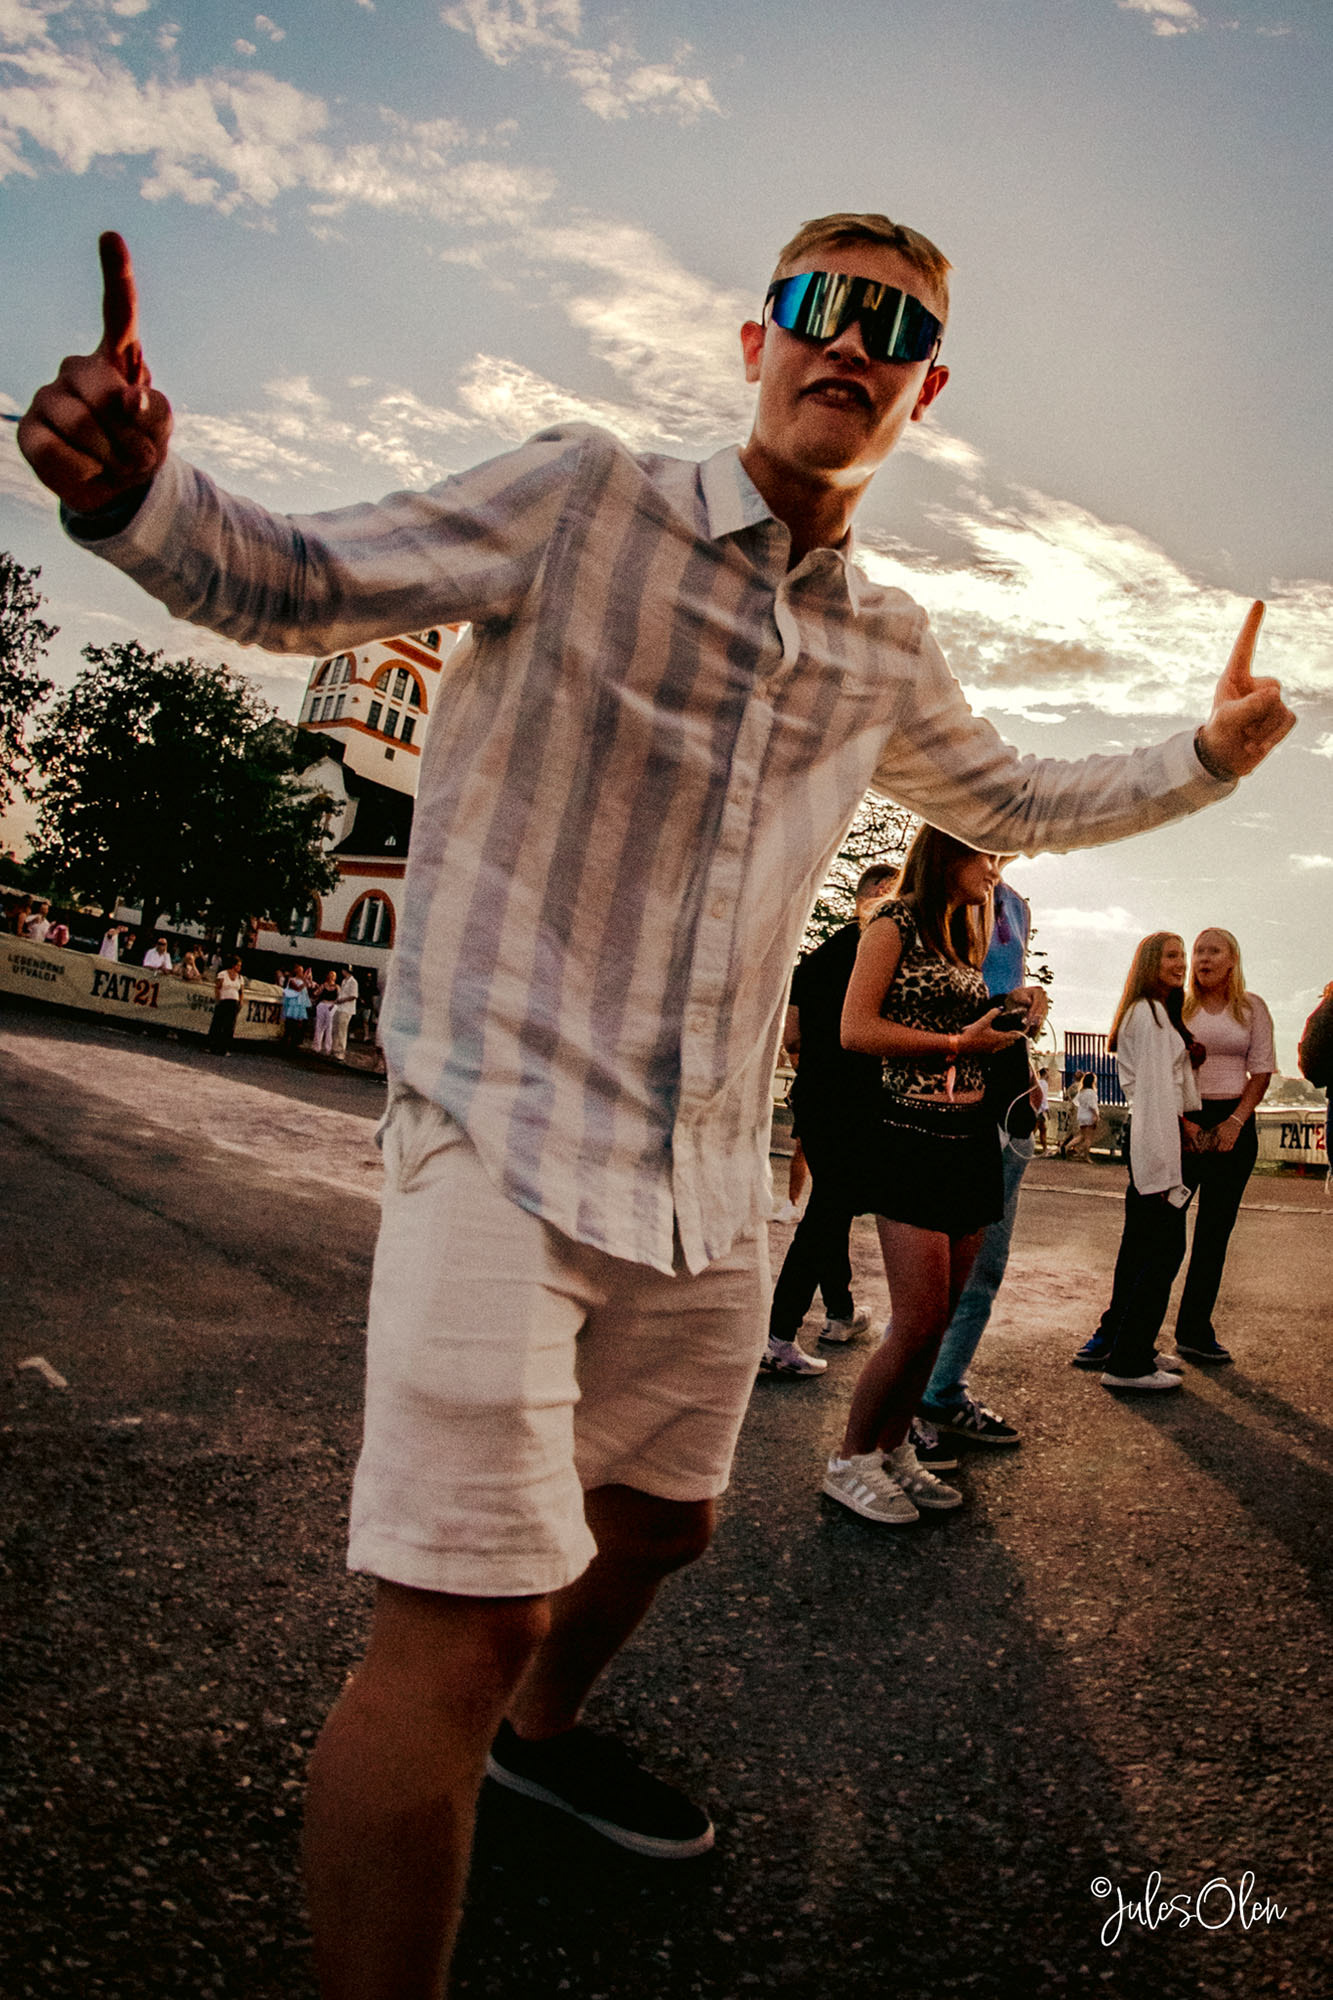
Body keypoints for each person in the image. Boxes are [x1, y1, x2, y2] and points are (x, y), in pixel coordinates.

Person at [19, 214, 1294, 2000]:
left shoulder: (882, 641)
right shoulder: (582, 499)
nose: (848, 343)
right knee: (458, 1626)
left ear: (924, 391)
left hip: (701, 1175)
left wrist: (1204, 754)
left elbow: (1013, 794)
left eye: (892, 328)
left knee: (664, 1524)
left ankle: (540, 1743)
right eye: (819, 307)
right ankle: (474, 1761)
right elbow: (300, 578)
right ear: (756, 339)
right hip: (496, 1130)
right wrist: (136, 493)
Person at [821, 828, 1028, 1524]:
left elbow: (960, 1021)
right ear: (950, 850)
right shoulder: (894, 922)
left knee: (940, 1322)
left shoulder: (962, 931)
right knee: (915, 1322)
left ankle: (892, 1448)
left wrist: (1009, 1013)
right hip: (909, 1135)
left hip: (968, 1139)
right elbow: (855, 1030)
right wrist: (958, 1042)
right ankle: (849, 1459)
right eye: (987, 856)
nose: (995, 872)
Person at [914, 870, 1047, 1456]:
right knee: (929, 1278)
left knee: (985, 1268)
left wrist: (1026, 1013)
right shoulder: (933, 894)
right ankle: (900, 1414)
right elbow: (925, 1003)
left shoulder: (1014, 904)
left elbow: (1000, 994)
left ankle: (941, 1392)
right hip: (949, 1100)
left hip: (1010, 1101)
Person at [760, 862, 897, 1377]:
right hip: (859, 1098)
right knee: (828, 1214)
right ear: (880, 893)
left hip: (814, 1096)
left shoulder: (816, 959)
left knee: (830, 1206)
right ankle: (778, 1336)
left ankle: (840, 1312)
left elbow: (791, 1036)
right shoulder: (882, 954)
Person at [1072, 934, 1198, 1389]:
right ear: (1149, 963)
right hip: (1157, 1146)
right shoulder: (1147, 1015)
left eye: (1182, 956)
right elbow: (1155, 1099)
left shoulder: (1155, 1012)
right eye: (1171, 956)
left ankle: (1134, 1344)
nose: (1181, 963)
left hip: (1155, 1143)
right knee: (1163, 1253)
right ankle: (1128, 1364)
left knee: (1144, 1250)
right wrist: (1162, 1172)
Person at [1167, 928, 1275, 1362]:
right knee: (1163, 1231)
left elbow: (1261, 1071)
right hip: (1184, 1120)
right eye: (1198, 951)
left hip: (1234, 1120)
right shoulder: (1178, 1005)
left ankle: (1194, 1330)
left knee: (1213, 1234)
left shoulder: (1252, 1008)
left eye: (1214, 951)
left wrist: (1234, 1123)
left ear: (1233, 960)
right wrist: (1183, 1124)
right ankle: (1129, 1329)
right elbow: (1163, 1069)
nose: (1203, 958)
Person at [207, 955, 245, 1054]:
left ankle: (224, 1048)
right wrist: (218, 999)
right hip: (224, 1000)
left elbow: (241, 991)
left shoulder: (240, 978)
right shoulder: (223, 974)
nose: (239, 968)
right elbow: (217, 988)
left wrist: (240, 1002)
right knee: (218, 1024)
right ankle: (212, 1046)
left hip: (234, 1002)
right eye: (238, 965)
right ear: (233, 965)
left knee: (229, 1026)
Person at [1060, 1072, 1101, 1161]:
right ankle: (1085, 1155)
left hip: (1081, 1115)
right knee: (1088, 1138)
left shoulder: (1081, 1091)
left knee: (1082, 1136)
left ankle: (1067, 1147)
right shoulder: (1091, 1092)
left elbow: (1075, 1102)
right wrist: (1096, 1115)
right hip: (1089, 1115)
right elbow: (1092, 1105)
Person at [331, 965, 360, 1061]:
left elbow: (353, 996)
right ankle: (334, 1049)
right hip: (340, 1008)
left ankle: (340, 1052)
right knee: (336, 1028)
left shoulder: (353, 982)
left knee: (342, 1031)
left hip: (346, 1009)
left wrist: (342, 1000)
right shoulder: (344, 981)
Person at [282, 962, 313, 1047]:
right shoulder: (292, 980)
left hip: (300, 1005)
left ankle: (296, 1041)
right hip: (293, 1004)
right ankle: (286, 1040)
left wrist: (309, 979)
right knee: (291, 1023)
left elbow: (310, 988)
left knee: (299, 1024)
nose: (301, 972)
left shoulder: (303, 981)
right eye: (299, 970)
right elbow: (298, 989)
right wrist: (305, 981)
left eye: (302, 970)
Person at [311, 968, 340, 1055]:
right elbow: (315, 993)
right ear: (328, 976)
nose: (332, 976)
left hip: (331, 1006)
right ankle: (316, 1047)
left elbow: (339, 998)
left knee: (329, 1027)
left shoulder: (337, 987)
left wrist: (334, 1004)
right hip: (322, 1005)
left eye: (333, 975)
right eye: (330, 974)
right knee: (319, 1026)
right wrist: (316, 988)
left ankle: (328, 1048)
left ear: (335, 977)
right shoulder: (324, 985)